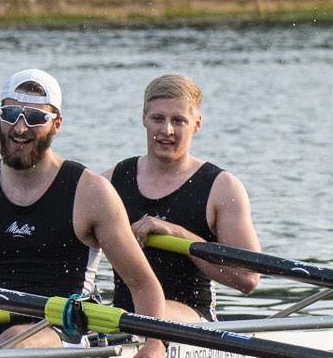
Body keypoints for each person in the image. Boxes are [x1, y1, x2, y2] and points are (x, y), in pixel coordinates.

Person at [0, 69, 171, 358]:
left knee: (14, 340)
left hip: (62, 328)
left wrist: (154, 343)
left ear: (57, 124)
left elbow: (142, 284)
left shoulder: (90, 192)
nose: (20, 127)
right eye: (11, 114)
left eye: (35, 118)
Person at [110, 73, 261, 322]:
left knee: (149, 311)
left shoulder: (222, 188)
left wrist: (179, 234)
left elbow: (248, 279)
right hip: (121, 320)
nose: (166, 130)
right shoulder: (111, 182)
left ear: (196, 124)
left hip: (191, 320)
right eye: (158, 118)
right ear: (144, 119)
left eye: (178, 121)